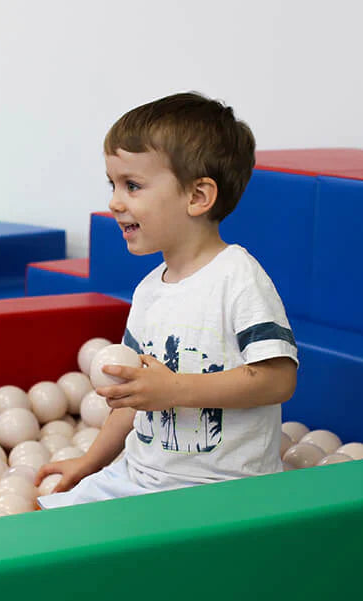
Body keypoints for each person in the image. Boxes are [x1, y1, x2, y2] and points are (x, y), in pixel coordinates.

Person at [36, 92, 298, 509]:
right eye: (113, 184)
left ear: (197, 197)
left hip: (222, 490)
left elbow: (279, 379)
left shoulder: (237, 277)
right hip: (140, 479)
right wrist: (88, 463)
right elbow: (133, 399)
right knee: (44, 518)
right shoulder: (149, 291)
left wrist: (174, 388)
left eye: (132, 186)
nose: (114, 202)